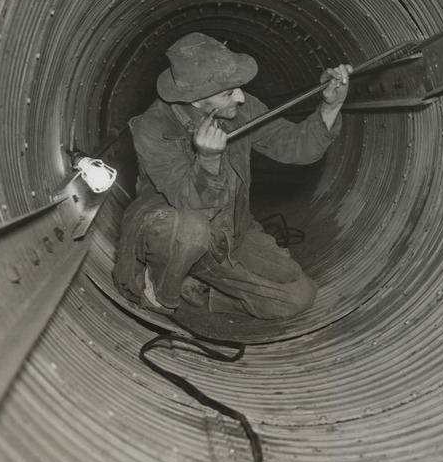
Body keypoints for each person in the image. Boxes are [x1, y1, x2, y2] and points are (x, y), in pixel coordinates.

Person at [112, 32, 352, 320]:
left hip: (232, 229)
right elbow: (191, 203)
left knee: (298, 298)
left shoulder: (241, 107)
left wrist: (331, 105)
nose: (240, 96)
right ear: (196, 101)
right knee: (190, 232)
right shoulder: (153, 128)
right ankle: (158, 294)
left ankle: (200, 281)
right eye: (228, 93)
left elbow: (295, 146)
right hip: (172, 227)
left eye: (238, 88)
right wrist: (208, 158)